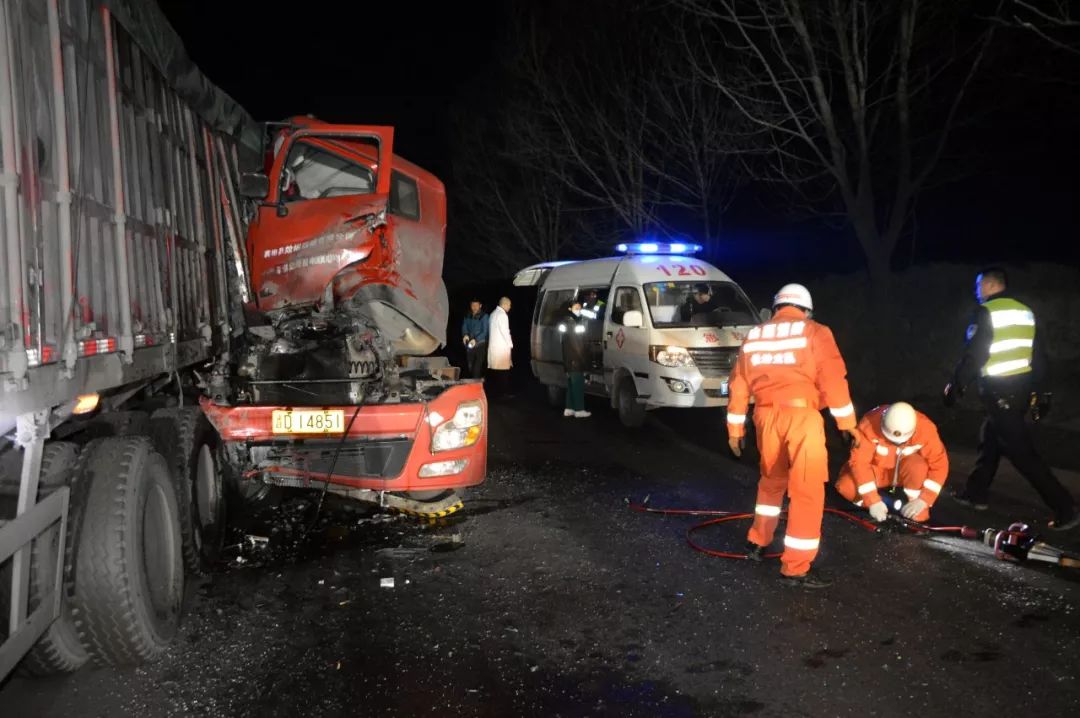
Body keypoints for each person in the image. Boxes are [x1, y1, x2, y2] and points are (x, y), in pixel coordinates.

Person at [726, 283, 860, 589]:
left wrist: (735, 429)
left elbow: (739, 385)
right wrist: (846, 423)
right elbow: (833, 380)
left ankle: (758, 542)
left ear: (776, 308)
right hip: (801, 417)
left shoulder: (754, 335)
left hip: (764, 416)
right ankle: (796, 568)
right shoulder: (815, 331)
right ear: (807, 309)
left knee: (771, 481)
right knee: (807, 490)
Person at [944, 268, 1078, 530]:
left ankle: (1065, 508)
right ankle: (975, 494)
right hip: (1020, 390)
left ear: (992, 285)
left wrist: (956, 385)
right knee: (991, 438)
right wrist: (1043, 392)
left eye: (979, 285)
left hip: (999, 391)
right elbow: (1038, 354)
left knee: (1022, 454)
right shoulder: (1024, 311)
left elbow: (976, 354)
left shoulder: (986, 313)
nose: (976, 290)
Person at [834, 402, 949, 523]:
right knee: (846, 486)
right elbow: (859, 464)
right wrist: (872, 501)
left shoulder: (925, 429)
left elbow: (939, 464)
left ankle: (916, 511)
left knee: (918, 466)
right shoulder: (868, 424)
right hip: (876, 471)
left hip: (905, 472)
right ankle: (879, 507)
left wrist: (924, 500)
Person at [558, 302, 590, 418]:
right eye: (576, 308)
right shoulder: (571, 322)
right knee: (577, 384)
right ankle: (579, 409)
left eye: (580, 308)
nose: (579, 309)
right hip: (575, 357)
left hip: (569, 357)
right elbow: (577, 343)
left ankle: (569, 408)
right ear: (570, 308)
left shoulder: (568, 320)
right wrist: (583, 358)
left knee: (571, 384)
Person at [487, 297, 514, 398]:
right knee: (503, 372)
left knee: (495, 371)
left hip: (494, 347)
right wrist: (510, 344)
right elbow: (505, 332)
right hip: (501, 347)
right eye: (509, 305)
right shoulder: (502, 315)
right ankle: (503, 393)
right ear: (505, 304)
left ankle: (496, 392)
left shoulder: (493, 314)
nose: (510, 307)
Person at [461, 300, 489, 379]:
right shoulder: (468, 315)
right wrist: (465, 335)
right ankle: (471, 382)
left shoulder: (484, 316)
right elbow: (464, 326)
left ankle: (476, 383)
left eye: (476, 305)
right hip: (470, 345)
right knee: (470, 365)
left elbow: (485, 331)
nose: (474, 307)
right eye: (473, 305)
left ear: (480, 305)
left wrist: (476, 339)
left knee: (477, 366)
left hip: (480, 344)